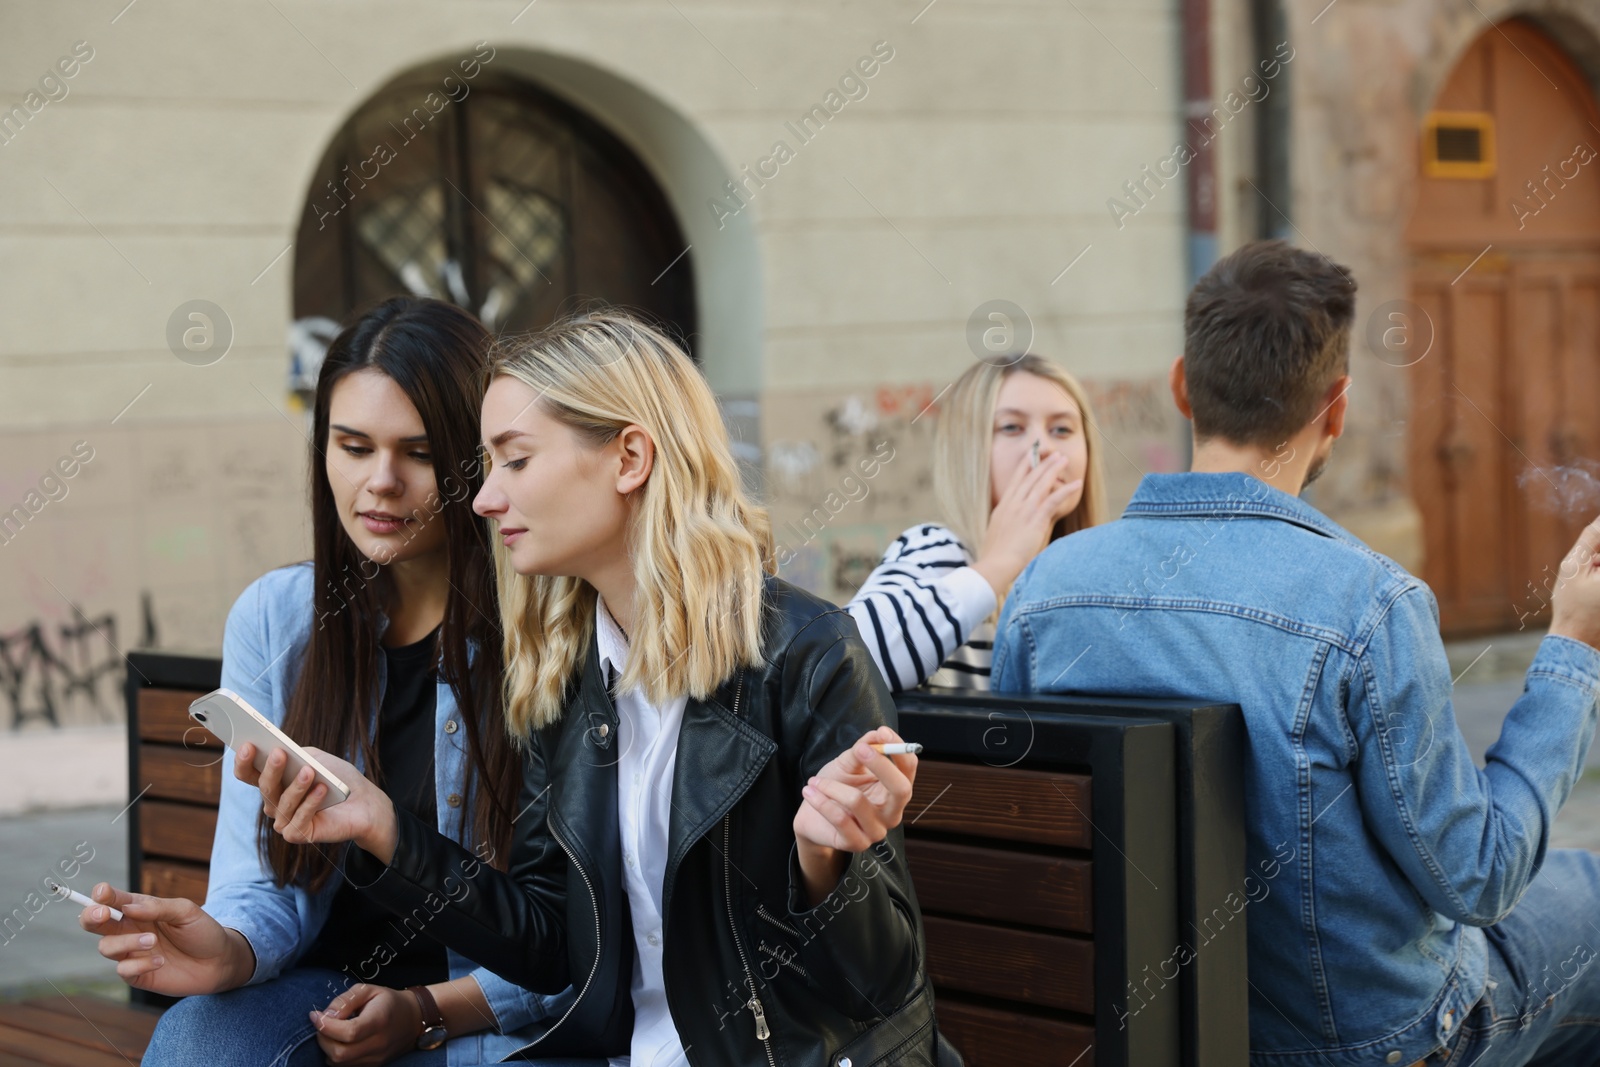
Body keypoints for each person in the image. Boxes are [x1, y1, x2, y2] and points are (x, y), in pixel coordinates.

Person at [227, 313, 948, 1066]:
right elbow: (548, 944)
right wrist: (383, 828)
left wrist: (821, 861)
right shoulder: (569, 669)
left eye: (515, 461)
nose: (483, 499)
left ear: (629, 456)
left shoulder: (806, 654)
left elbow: (879, 986)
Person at [991, 238, 1600, 1067]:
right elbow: (1479, 878)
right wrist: (1573, 641)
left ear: (1182, 385)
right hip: (1371, 1044)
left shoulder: (1043, 593)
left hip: (1147, 1031)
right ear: (1337, 408)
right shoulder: (1370, 604)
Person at [80, 298, 573, 1066]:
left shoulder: (546, 629)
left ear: (476, 459)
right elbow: (262, 885)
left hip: (495, 1020)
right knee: (198, 1040)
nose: (381, 481)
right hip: (318, 1002)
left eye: (419, 451)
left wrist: (426, 1010)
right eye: (352, 445)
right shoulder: (278, 620)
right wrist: (227, 947)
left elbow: (581, 935)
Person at [847, 353, 1106, 691]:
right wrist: (1000, 564)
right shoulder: (938, 551)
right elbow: (845, 665)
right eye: (1011, 427)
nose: (1041, 448)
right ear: (968, 450)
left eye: (1062, 429)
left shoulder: (1099, 576)